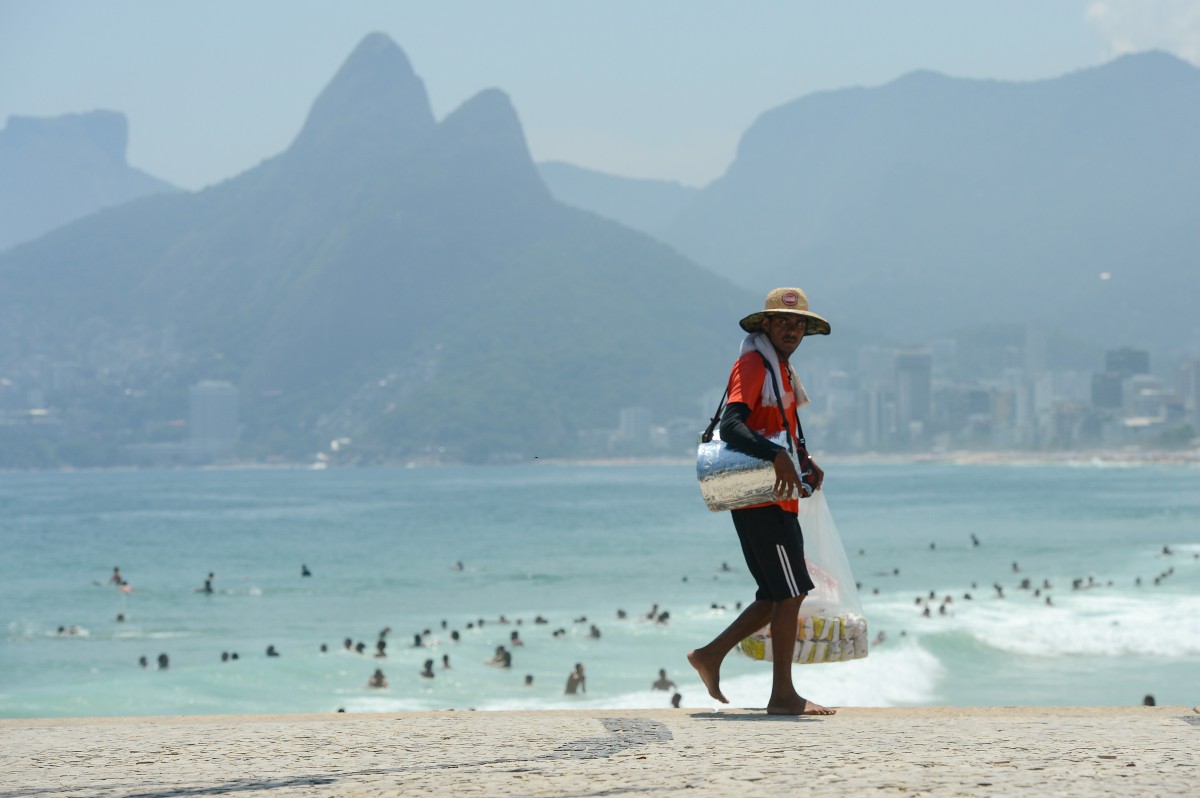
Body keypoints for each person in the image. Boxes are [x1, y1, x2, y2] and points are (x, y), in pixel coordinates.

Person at [687, 287, 835, 717]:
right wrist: (777, 456)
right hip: (762, 499)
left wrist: (803, 459)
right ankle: (783, 696)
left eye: (798, 324)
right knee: (790, 595)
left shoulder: (780, 370)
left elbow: (778, 427)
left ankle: (710, 655)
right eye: (783, 321)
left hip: (771, 496)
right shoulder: (753, 364)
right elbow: (733, 426)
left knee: (776, 595)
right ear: (765, 325)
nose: (791, 329)